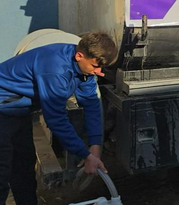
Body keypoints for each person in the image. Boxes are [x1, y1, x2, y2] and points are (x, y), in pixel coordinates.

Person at [0, 32, 117, 205]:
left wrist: (95, 146)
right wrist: (84, 154)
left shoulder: (83, 68)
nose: (99, 72)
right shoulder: (55, 69)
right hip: (3, 108)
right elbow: (56, 119)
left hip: (17, 111)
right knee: (2, 169)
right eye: (95, 66)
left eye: (102, 68)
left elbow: (91, 103)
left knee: (24, 167)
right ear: (79, 56)